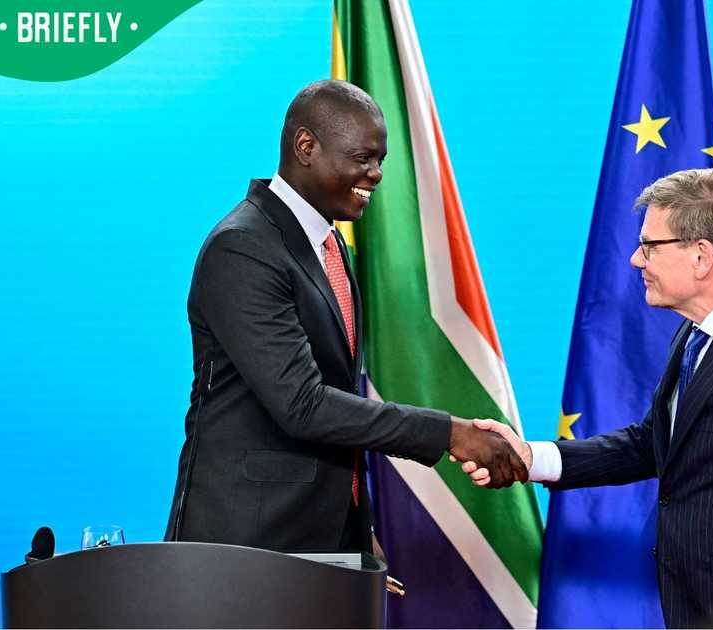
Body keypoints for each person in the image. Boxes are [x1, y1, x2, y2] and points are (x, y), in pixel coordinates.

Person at [466, 169, 713, 628]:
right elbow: (654, 442)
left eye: (650, 245)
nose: (636, 260)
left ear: (702, 257)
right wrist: (530, 457)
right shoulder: (698, 330)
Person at [165, 80, 525, 554]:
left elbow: (336, 402)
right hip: (246, 548)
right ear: (306, 147)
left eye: (380, 161)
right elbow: (304, 405)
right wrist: (450, 432)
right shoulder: (244, 247)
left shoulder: (327, 245)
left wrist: (354, 526)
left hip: (319, 537)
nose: (375, 175)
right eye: (363, 158)